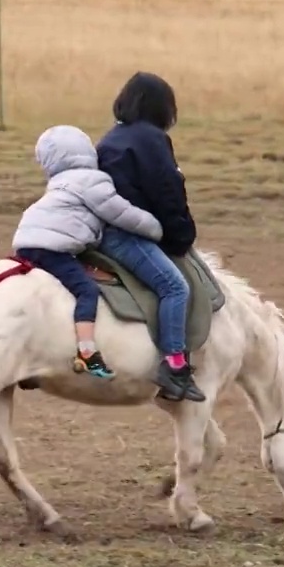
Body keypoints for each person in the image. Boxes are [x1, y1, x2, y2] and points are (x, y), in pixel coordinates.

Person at [12, 124, 165, 379]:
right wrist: (155, 227)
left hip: (27, 243)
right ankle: (87, 351)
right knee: (86, 290)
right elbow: (120, 212)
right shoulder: (93, 182)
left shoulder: (58, 183)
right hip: (53, 249)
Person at [95, 71, 206, 402]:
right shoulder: (152, 140)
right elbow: (167, 192)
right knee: (175, 286)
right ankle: (174, 365)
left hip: (102, 229)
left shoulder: (110, 138)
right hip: (127, 236)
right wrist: (181, 235)